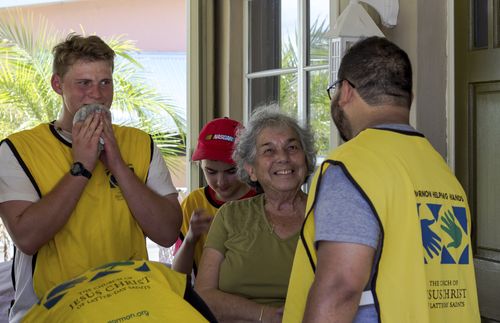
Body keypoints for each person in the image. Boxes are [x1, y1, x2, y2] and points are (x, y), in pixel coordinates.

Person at [283, 36, 480, 323]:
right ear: (408, 99)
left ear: (346, 91)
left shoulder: (353, 167)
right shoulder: (441, 173)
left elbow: (340, 288)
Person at [0, 33, 182, 321]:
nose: (96, 95)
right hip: (49, 311)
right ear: (58, 85)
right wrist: (81, 167)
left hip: (130, 306)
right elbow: (27, 237)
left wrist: (118, 165)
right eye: (83, 83)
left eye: (104, 83)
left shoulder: (140, 143)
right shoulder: (17, 149)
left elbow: (167, 233)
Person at [194, 107, 316, 323]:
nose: (283, 158)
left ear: (306, 160)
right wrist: (264, 315)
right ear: (251, 169)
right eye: (269, 150)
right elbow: (203, 295)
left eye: (292, 147)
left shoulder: (326, 215)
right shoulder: (230, 216)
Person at [172, 117, 257, 275]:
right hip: (205, 297)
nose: (221, 182)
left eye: (231, 171)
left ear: (247, 164)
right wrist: (191, 238)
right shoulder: (194, 203)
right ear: (200, 166)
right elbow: (178, 274)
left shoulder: (262, 200)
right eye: (210, 171)